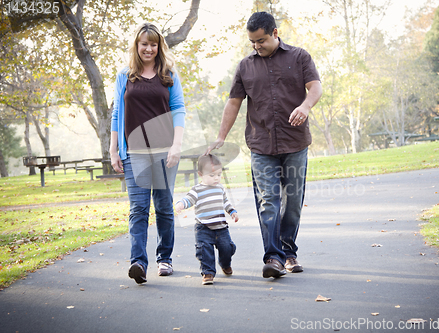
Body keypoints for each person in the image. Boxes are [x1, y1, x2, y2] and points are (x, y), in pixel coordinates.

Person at [206, 12, 322, 278]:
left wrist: (305, 106)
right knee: (268, 200)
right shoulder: (245, 66)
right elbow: (234, 102)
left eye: (261, 40)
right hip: (261, 146)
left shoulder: (299, 56)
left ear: (275, 33)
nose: (257, 46)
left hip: (295, 143)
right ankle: (273, 257)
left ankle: (288, 252)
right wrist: (222, 136)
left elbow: (315, 87)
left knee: (292, 202)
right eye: (252, 42)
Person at [109, 22, 186, 284]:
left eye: (153, 44)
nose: (149, 48)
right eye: (144, 44)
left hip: (165, 151)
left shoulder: (169, 75)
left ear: (159, 47)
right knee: (138, 209)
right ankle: (138, 263)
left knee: (164, 208)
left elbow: (179, 111)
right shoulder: (125, 76)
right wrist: (113, 150)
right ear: (137, 46)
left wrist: (176, 146)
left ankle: (165, 258)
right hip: (135, 152)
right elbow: (117, 114)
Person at [175, 154, 238, 285]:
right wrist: (181, 204)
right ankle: (208, 272)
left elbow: (225, 202)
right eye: (212, 175)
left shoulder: (220, 188)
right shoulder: (197, 190)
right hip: (203, 228)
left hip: (221, 228)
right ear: (200, 174)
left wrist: (232, 211)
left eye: (219, 175)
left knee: (227, 248)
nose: (216, 178)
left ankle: (225, 263)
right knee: (204, 251)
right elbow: (188, 199)